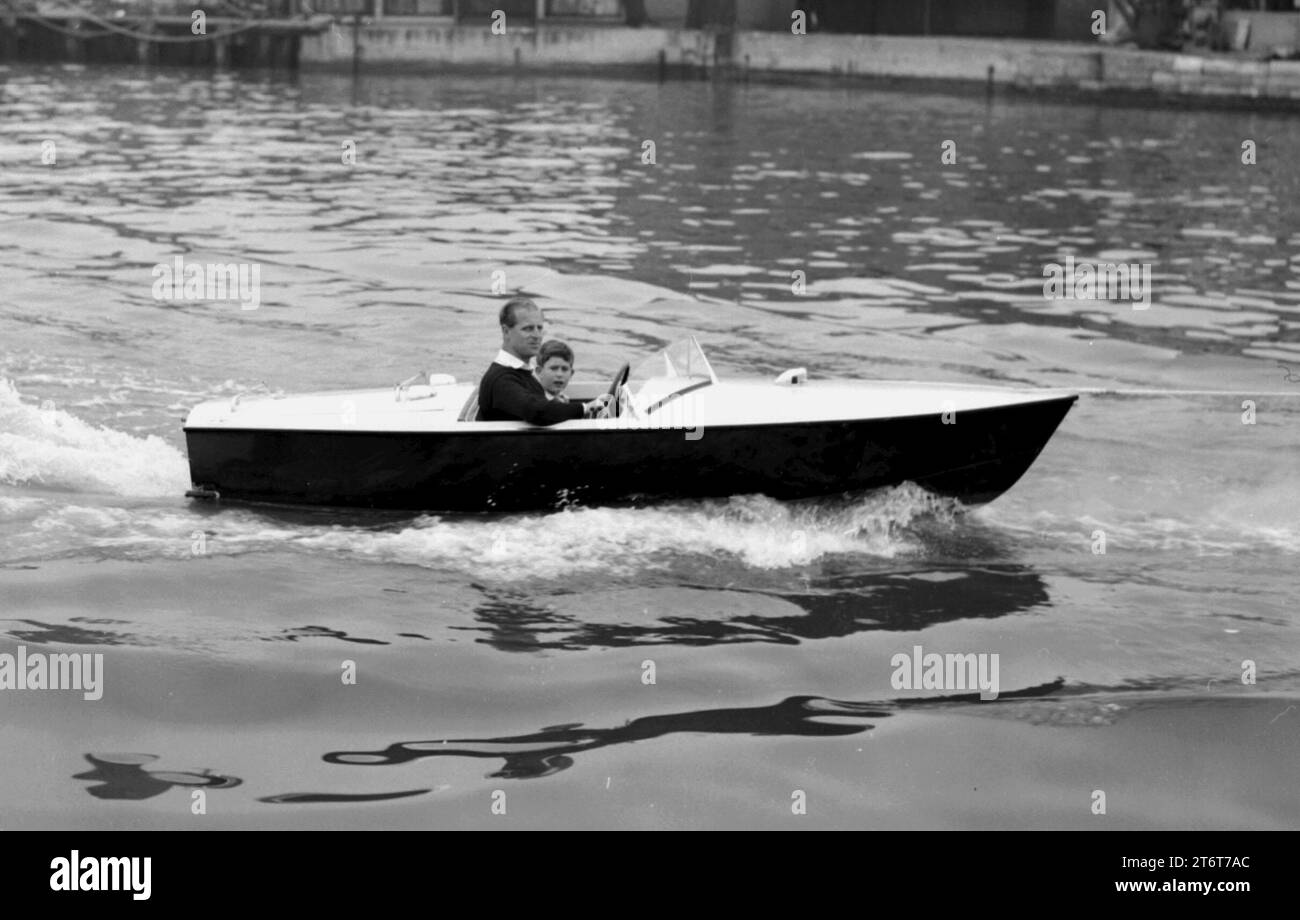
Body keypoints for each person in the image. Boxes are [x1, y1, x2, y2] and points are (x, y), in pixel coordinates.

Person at [476, 298, 610, 424]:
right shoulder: (502, 380)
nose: (537, 336)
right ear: (506, 332)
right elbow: (538, 412)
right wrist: (586, 409)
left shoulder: (522, 372)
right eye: (528, 329)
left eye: (539, 328)